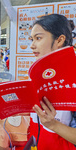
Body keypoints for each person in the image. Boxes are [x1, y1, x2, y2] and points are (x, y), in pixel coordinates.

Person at [29, 14, 76, 149]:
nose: (32, 46)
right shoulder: (38, 73)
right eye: (31, 39)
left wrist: (53, 124)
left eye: (38, 38)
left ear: (60, 40)